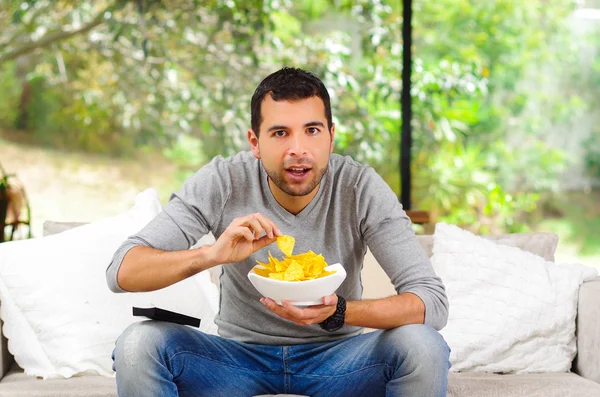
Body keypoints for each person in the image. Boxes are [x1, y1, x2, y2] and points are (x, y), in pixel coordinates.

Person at [107, 67, 450, 397]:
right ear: (255, 142)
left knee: (424, 346)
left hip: (340, 360)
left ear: (331, 136)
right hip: (235, 359)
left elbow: (431, 302)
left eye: (312, 131)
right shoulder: (223, 181)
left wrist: (339, 312)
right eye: (280, 133)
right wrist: (212, 255)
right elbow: (121, 271)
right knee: (138, 344)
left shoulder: (360, 187)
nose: (297, 149)